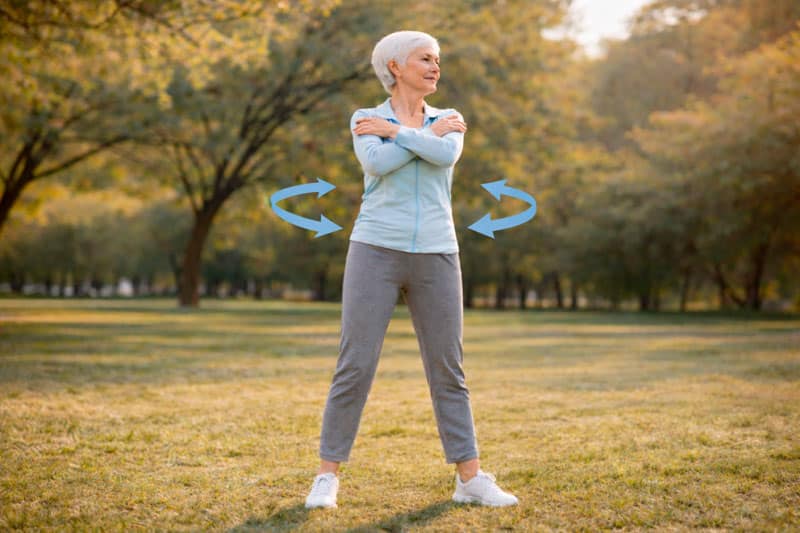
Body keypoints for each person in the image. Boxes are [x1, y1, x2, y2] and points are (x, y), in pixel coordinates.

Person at [305, 30, 518, 509]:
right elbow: (376, 165)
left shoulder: (449, 120)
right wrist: (412, 137)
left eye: (437, 59)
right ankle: (326, 477)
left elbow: (445, 154)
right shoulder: (365, 118)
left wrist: (400, 133)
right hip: (375, 248)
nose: (435, 66)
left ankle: (469, 479)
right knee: (355, 365)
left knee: (448, 369)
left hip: (438, 252)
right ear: (395, 67)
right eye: (425, 58)